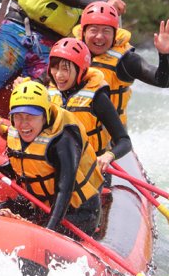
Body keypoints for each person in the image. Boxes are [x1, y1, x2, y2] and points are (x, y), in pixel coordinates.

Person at [0, 80, 104, 235]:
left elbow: (64, 190)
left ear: (44, 116)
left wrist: (48, 231)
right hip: (38, 204)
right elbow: (26, 169)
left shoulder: (62, 140)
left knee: (39, 229)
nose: (24, 124)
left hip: (77, 212)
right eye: (18, 116)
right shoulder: (17, 135)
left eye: (30, 116)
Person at [73, 1, 169, 126]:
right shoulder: (68, 55)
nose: (99, 36)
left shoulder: (126, 60)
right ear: (83, 32)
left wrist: (165, 54)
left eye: (106, 31)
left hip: (113, 140)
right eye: (93, 30)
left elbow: (162, 81)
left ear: (115, 35)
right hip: (74, 138)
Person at [46, 38, 132, 175]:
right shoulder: (47, 94)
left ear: (80, 70)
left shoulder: (97, 98)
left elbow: (124, 141)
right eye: (55, 67)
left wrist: (108, 156)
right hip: (58, 168)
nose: (59, 75)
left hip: (92, 170)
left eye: (65, 69)